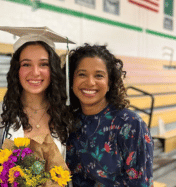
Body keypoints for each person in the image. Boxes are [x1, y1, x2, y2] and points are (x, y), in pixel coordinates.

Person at [65, 44, 154, 186]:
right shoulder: (68, 121)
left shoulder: (129, 123)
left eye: (99, 75)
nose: (90, 82)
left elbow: (141, 182)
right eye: (82, 74)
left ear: (109, 83)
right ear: (71, 80)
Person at [0, 26, 74, 159]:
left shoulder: (65, 116)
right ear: (16, 70)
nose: (35, 72)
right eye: (26, 64)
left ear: (53, 69)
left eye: (43, 64)